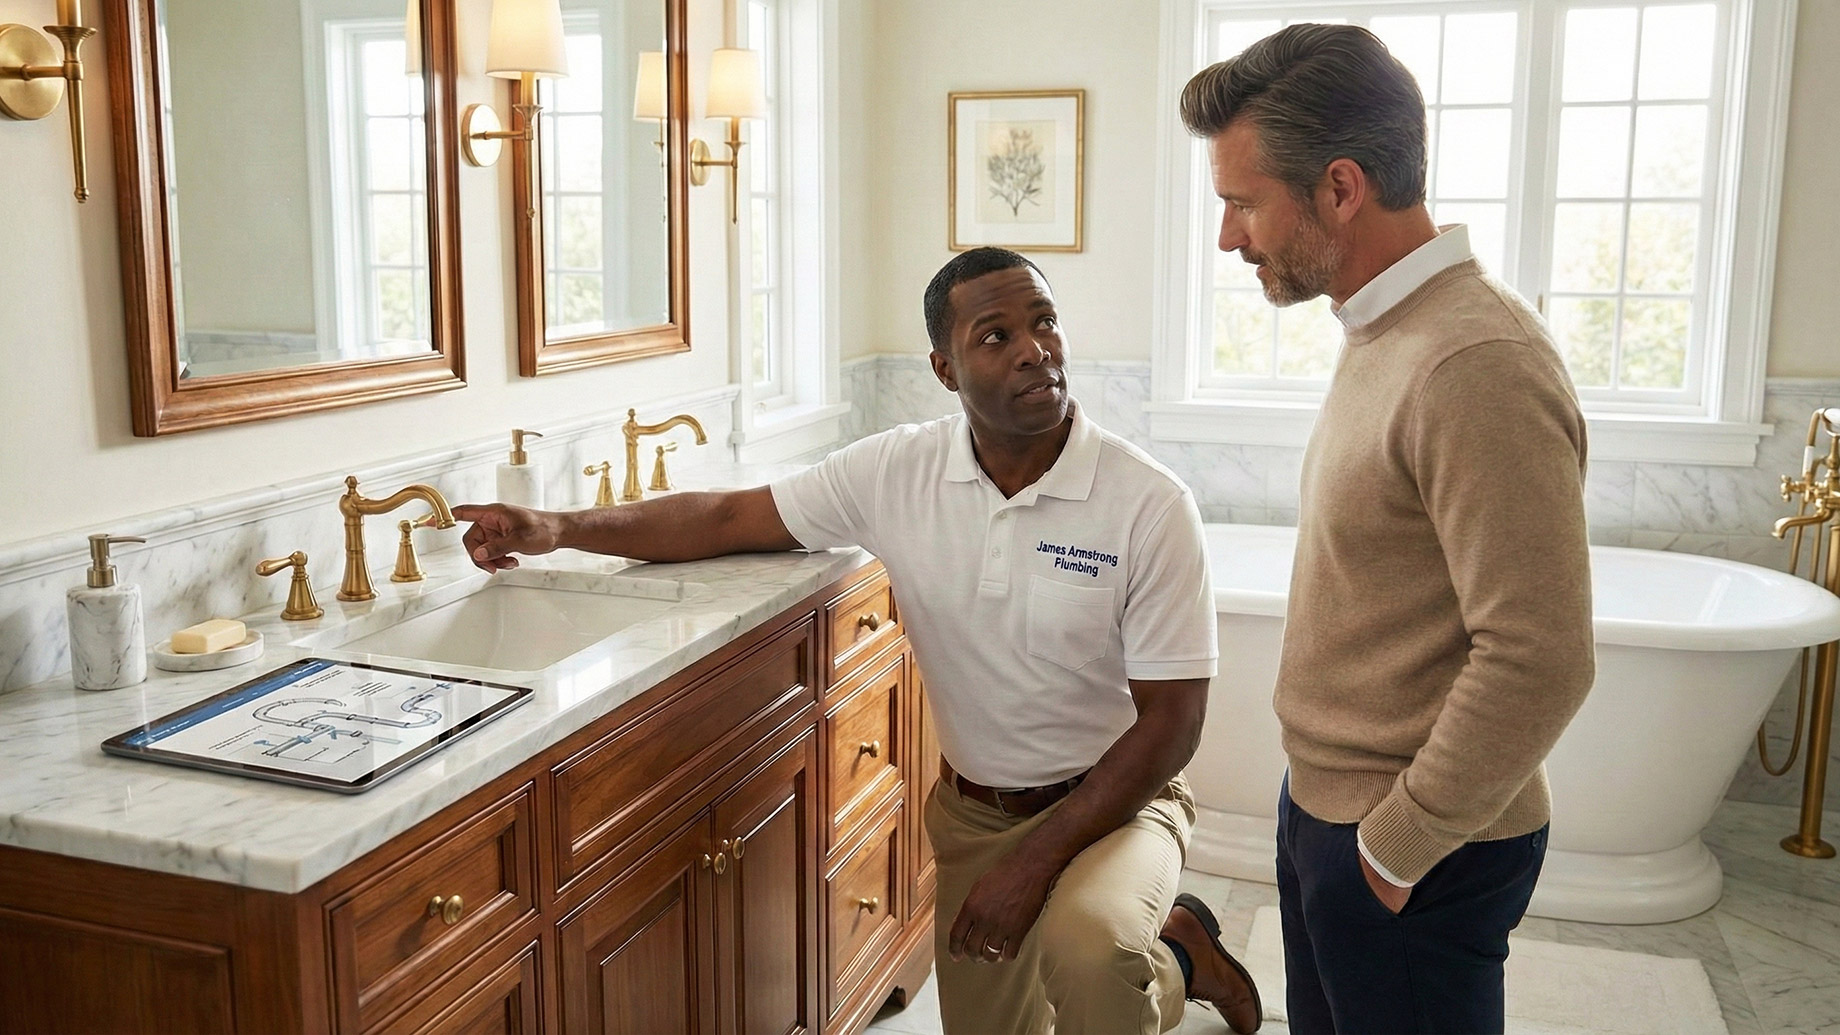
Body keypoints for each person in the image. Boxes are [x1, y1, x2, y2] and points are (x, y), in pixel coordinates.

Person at [453, 247, 1262, 1035]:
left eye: (1045, 323)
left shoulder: (1148, 503)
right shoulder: (897, 472)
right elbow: (729, 516)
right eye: (996, 335)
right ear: (944, 368)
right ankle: (1181, 959)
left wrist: (1036, 861)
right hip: (978, 816)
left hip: (1119, 805)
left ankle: (1144, 954)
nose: (1034, 351)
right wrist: (556, 526)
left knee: (1089, 953)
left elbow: (1173, 723)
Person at [1179, 24, 1595, 1035]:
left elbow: (1541, 657)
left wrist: (1395, 846)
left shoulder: (1474, 361)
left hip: (1409, 843)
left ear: (1339, 188)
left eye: (1241, 202)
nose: (1229, 235)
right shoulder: (1385, 329)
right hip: (1332, 806)